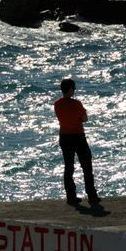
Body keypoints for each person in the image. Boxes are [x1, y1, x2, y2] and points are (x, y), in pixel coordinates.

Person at [54, 78, 101, 206]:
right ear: (70, 89)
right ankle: (92, 195)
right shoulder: (77, 104)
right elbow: (85, 119)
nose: (74, 90)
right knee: (86, 166)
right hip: (78, 136)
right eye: (73, 88)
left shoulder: (57, 104)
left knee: (69, 167)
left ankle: (71, 196)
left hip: (64, 137)